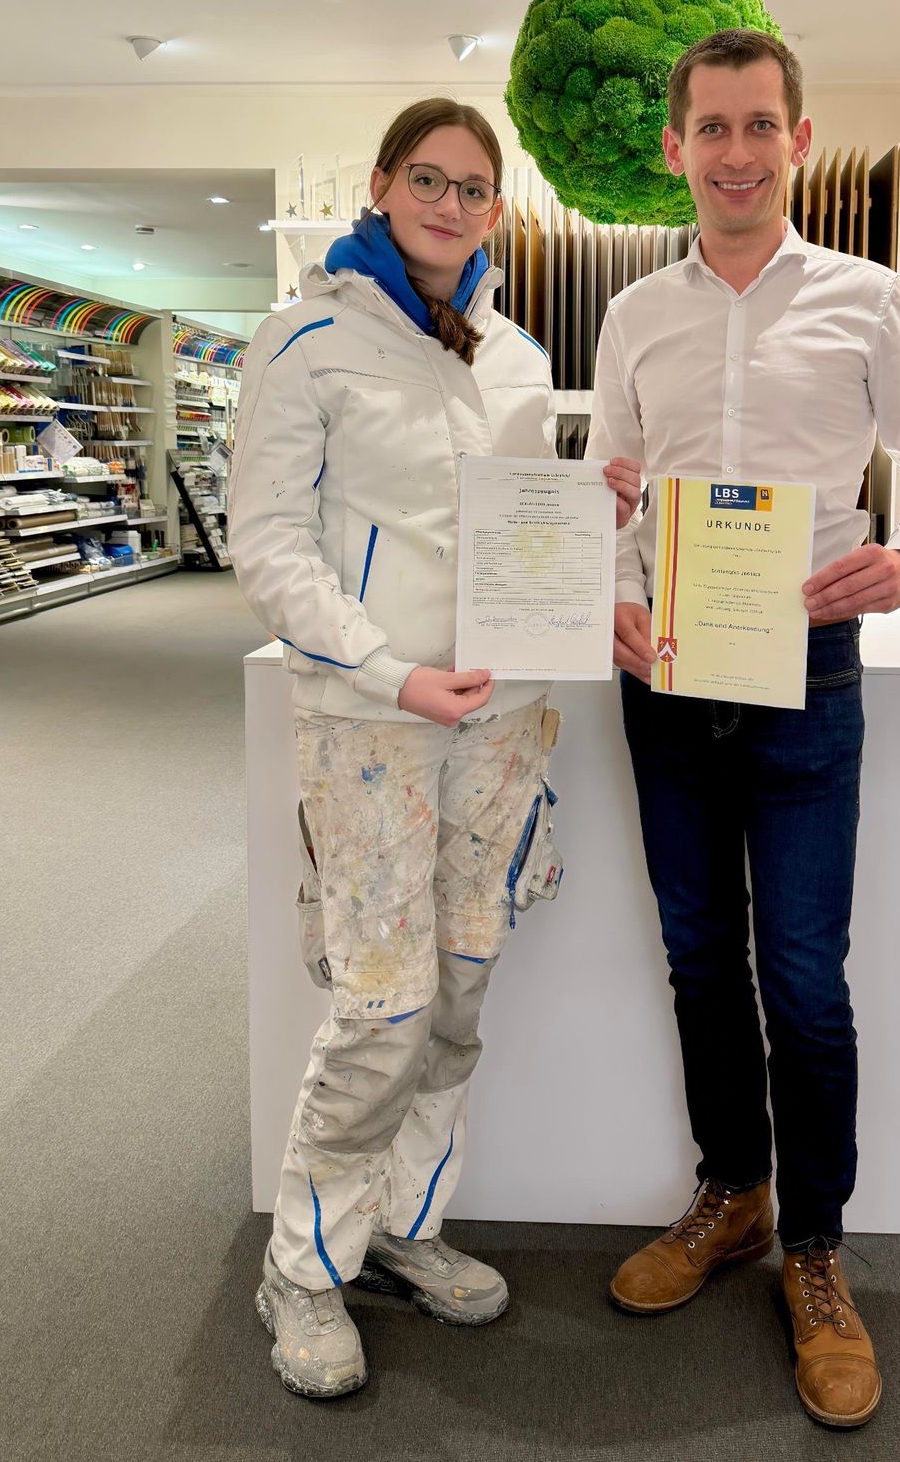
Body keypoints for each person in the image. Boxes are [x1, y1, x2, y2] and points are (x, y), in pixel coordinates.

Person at [585, 31, 900, 1430]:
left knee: (802, 975)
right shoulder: (634, 314)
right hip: (670, 675)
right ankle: (731, 1195)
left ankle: (814, 1248)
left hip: (809, 667)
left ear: (797, 140)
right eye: (713, 128)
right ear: (677, 146)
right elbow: (606, 492)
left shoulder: (867, 299)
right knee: (698, 956)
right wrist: (610, 597)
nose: (737, 152)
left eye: (761, 125)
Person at [230, 98, 640, 1398]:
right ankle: (302, 1269)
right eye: (428, 178)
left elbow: (523, 535)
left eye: (473, 188)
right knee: (382, 1003)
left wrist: (597, 524)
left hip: (503, 719)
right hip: (372, 721)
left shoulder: (516, 353)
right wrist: (388, 667)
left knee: (461, 989)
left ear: (496, 210)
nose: (450, 205)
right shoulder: (303, 341)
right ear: (380, 184)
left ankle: (403, 1226)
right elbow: (268, 543)